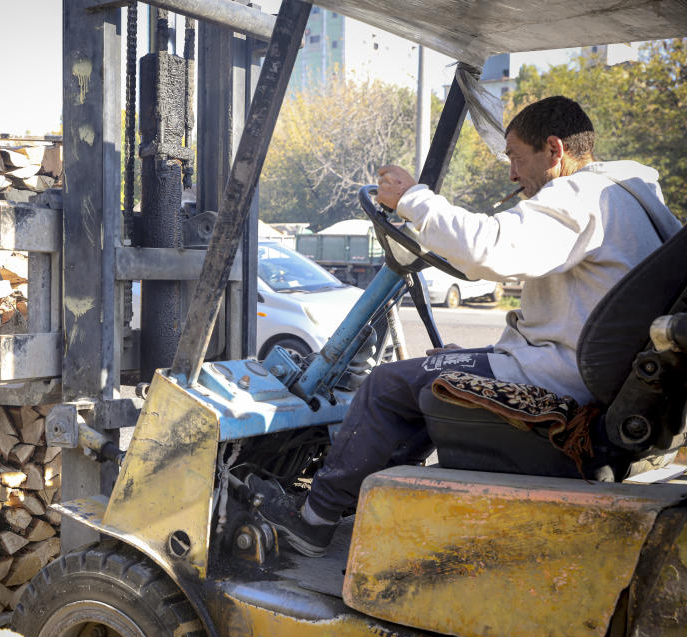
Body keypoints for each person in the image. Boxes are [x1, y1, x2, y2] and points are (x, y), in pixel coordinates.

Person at [251, 95, 682, 558]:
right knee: (433, 370)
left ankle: (313, 520)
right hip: (594, 377)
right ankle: (370, 502)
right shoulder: (638, 200)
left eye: (516, 157)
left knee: (384, 384)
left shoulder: (578, 196)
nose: (513, 174)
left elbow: (487, 247)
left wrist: (414, 199)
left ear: (554, 151)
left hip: (561, 377)